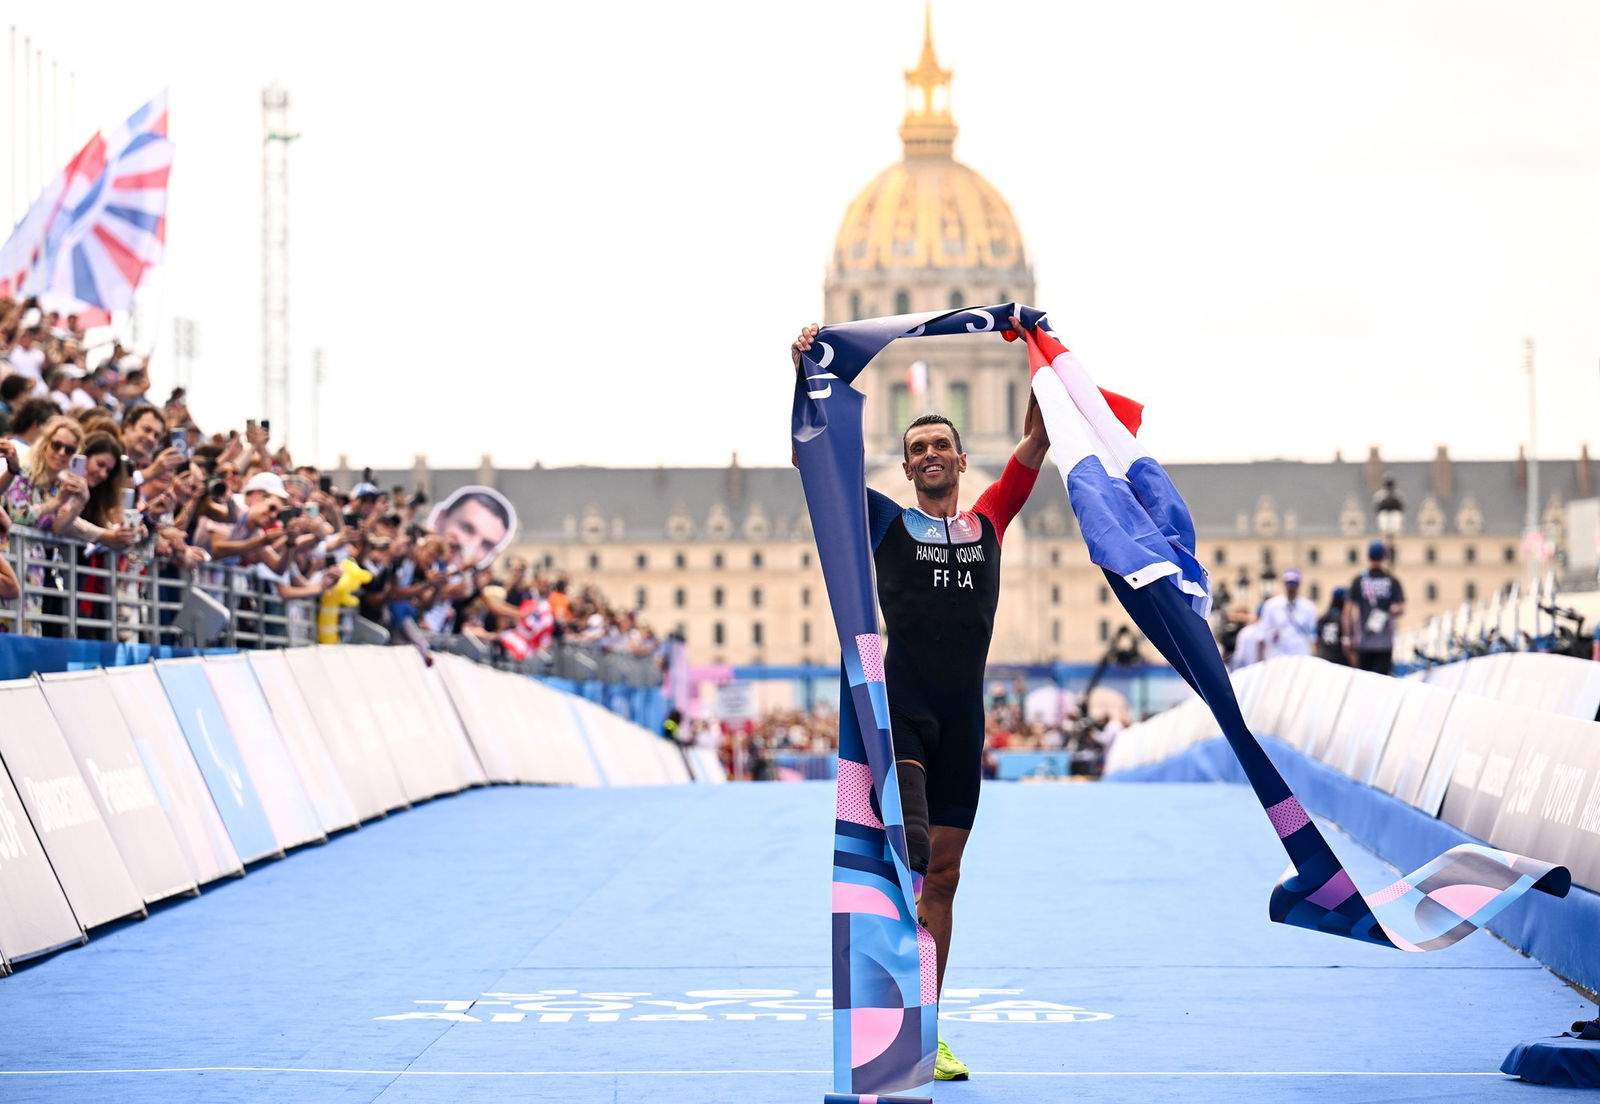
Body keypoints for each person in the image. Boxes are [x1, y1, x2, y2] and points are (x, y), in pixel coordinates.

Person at [791, 320, 1050, 1083]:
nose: (932, 455)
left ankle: (928, 1025)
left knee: (944, 877)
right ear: (906, 470)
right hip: (901, 713)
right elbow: (815, 460)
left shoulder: (991, 521)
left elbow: (1037, 442)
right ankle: (896, 1025)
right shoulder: (883, 521)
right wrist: (810, 370)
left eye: (943, 446)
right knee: (908, 864)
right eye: (919, 451)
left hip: (962, 720)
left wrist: (1041, 353)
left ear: (963, 461)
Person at [1344, 541, 1406, 674]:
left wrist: (1348, 637)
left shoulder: (1359, 580)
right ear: (1384, 557)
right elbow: (1400, 609)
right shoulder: (1391, 580)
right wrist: (1387, 613)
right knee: (1383, 682)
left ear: (1368, 557)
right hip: (1385, 642)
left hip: (1363, 642)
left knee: (1363, 681)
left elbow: (1347, 613)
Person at [1257, 568, 1316, 660]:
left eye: (1294, 584)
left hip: (1300, 653)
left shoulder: (1308, 607)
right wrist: (1260, 658)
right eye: (1289, 583)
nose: (1291, 587)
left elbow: (1313, 635)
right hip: (1277, 654)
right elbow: (1263, 631)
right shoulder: (1271, 605)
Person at [1316, 587, 1349, 664]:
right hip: (1339, 659)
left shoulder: (1324, 617)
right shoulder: (1343, 618)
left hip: (1323, 657)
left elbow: (1316, 638)